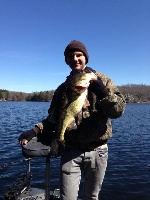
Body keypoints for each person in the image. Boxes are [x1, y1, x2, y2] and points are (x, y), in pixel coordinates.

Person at [19, 40, 126, 200]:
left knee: (92, 196)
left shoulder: (102, 80)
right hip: (70, 151)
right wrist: (35, 130)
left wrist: (102, 91)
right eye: (71, 56)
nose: (75, 58)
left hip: (98, 150)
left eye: (79, 55)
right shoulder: (63, 89)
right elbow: (54, 118)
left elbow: (118, 111)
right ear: (67, 61)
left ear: (86, 58)